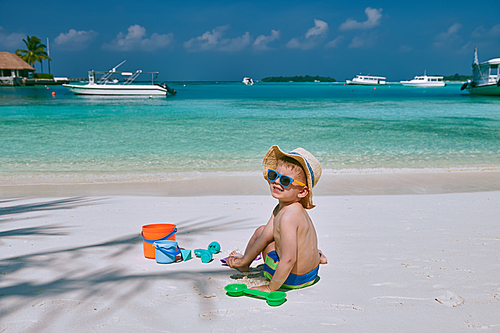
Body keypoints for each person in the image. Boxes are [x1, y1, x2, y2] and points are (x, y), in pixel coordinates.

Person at [227, 145, 327, 292]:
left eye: (285, 180)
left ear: (302, 192)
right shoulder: (291, 208)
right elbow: (266, 234)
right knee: (264, 231)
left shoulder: (287, 217)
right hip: (311, 273)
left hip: (293, 278)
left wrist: (270, 287)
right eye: (274, 175)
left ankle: (244, 266)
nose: (277, 182)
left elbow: (288, 259)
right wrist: (244, 258)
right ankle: (316, 255)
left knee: (264, 238)